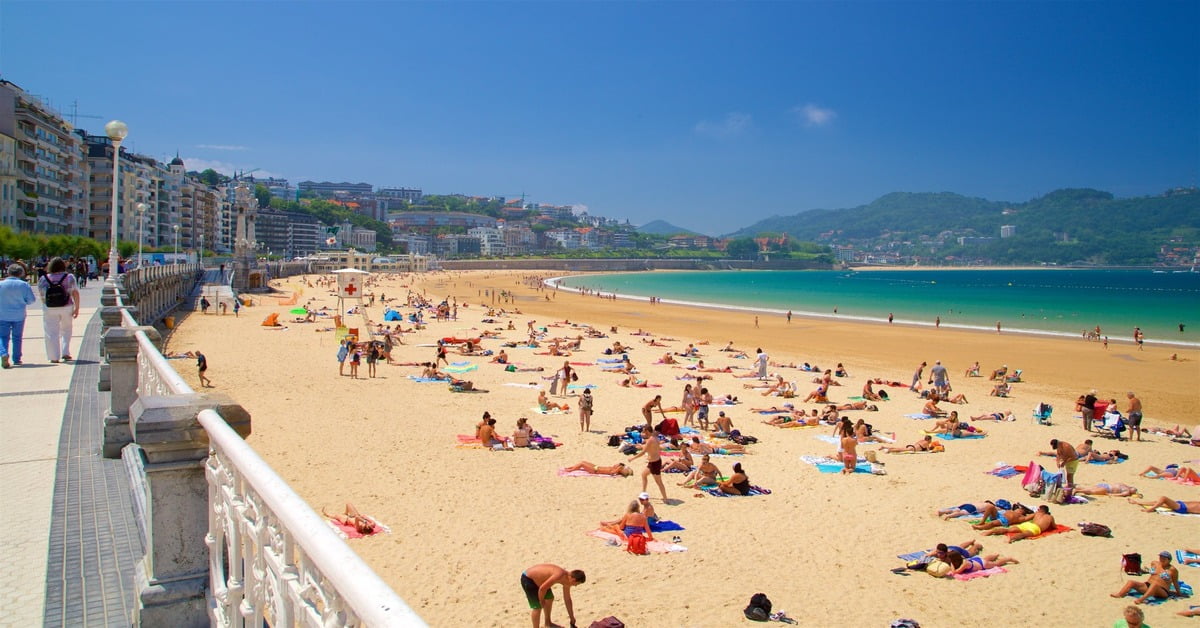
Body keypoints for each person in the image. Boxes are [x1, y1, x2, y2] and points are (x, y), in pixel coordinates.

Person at [38, 257, 80, 363]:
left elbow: (42, 295)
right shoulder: (69, 277)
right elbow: (75, 293)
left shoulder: (44, 278)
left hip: (50, 308)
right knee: (66, 329)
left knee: (51, 332)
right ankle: (65, 352)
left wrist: (46, 306)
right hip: (67, 306)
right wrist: (77, 308)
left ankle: (54, 356)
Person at [520, 564, 584, 628]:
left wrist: (572, 617)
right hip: (528, 579)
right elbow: (542, 589)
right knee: (537, 607)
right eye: (577, 584)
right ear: (573, 580)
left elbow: (567, 600)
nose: (575, 586)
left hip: (541, 581)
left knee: (549, 598)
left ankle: (548, 623)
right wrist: (541, 600)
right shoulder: (559, 575)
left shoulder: (567, 581)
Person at [0, 264, 37, 368]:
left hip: (2, 314)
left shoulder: (1, 284)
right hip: (19, 314)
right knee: (17, 337)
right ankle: (17, 358)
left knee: (2, 336)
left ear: (8, 272)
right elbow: (31, 300)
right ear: (21, 273)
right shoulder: (24, 285)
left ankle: (3, 353)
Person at [1111, 551, 1181, 604]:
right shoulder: (1154, 563)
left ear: (1169, 560)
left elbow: (1175, 582)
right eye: (1160, 557)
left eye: (1164, 558)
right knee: (1131, 582)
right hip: (1147, 586)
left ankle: (1141, 599)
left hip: (1162, 591)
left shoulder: (1172, 570)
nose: (1161, 559)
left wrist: (1178, 593)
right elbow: (1150, 573)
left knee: (1155, 585)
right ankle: (1120, 594)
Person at [629, 425, 668, 502]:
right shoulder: (655, 438)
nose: (643, 433)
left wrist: (632, 458)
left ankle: (665, 498)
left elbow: (643, 452)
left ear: (647, 431)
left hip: (654, 463)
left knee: (659, 482)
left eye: (644, 431)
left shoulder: (650, 440)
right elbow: (655, 447)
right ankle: (643, 493)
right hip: (654, 462)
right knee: (644, 475)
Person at [982, 504, 1055, 543]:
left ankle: (990, 531)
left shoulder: (1036, 513)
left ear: (1039, 509)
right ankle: (1010, 539)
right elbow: (1054, 527)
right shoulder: (1050, 517)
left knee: (1008, 530)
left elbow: (1027, 518)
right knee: (1023, 534)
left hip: (1028, 524)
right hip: (1035, 528)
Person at [1128, 496, 1199, 515]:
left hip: (1182, 507)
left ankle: (1150, 509)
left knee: (1163, 498)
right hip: (1181, 504)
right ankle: (1137, 502)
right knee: (1157, 502)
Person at [562, 461, 633, 476]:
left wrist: (619, 468)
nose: (615, 464)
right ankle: (571, 467)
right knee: (582, 462)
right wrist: (620, 466)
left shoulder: (614, 470)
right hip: (596, 466)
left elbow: (612, 473)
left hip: (595, 470)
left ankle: (570, 470)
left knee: (582, 464)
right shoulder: (613, 468)